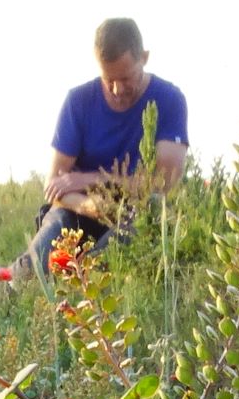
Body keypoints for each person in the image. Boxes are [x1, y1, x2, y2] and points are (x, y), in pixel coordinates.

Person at [20, 18, 188, 276]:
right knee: (32, 269)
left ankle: (89, 276)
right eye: (108, 79)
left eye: (125, 78)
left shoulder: (170, 99)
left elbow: (161, 184)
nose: (117, 89)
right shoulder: (78, 101)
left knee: (149, 211)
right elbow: (54, 186)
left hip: (134, 215)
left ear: (144, 57)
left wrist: (91, 179)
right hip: (75, 211)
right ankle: (8, 284)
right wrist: (90, 206)